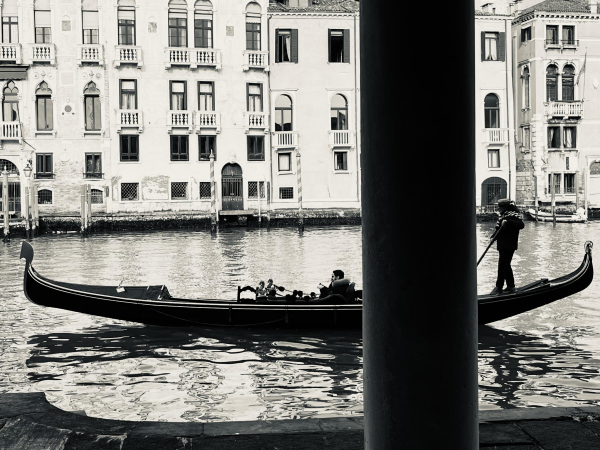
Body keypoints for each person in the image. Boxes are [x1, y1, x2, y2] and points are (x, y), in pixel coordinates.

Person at [490, 199, 524, 295]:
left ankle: (498, 287)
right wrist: (494, 236)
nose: (499, 210)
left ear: (505, 207)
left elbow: (521, 225)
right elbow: (499, 229)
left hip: (509, 245)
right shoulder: (503, 216)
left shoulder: (513, 215)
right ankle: (511, 286)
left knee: (502, 265)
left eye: (501, 208)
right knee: (506, 265)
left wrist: (508, 221)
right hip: (502, 244)